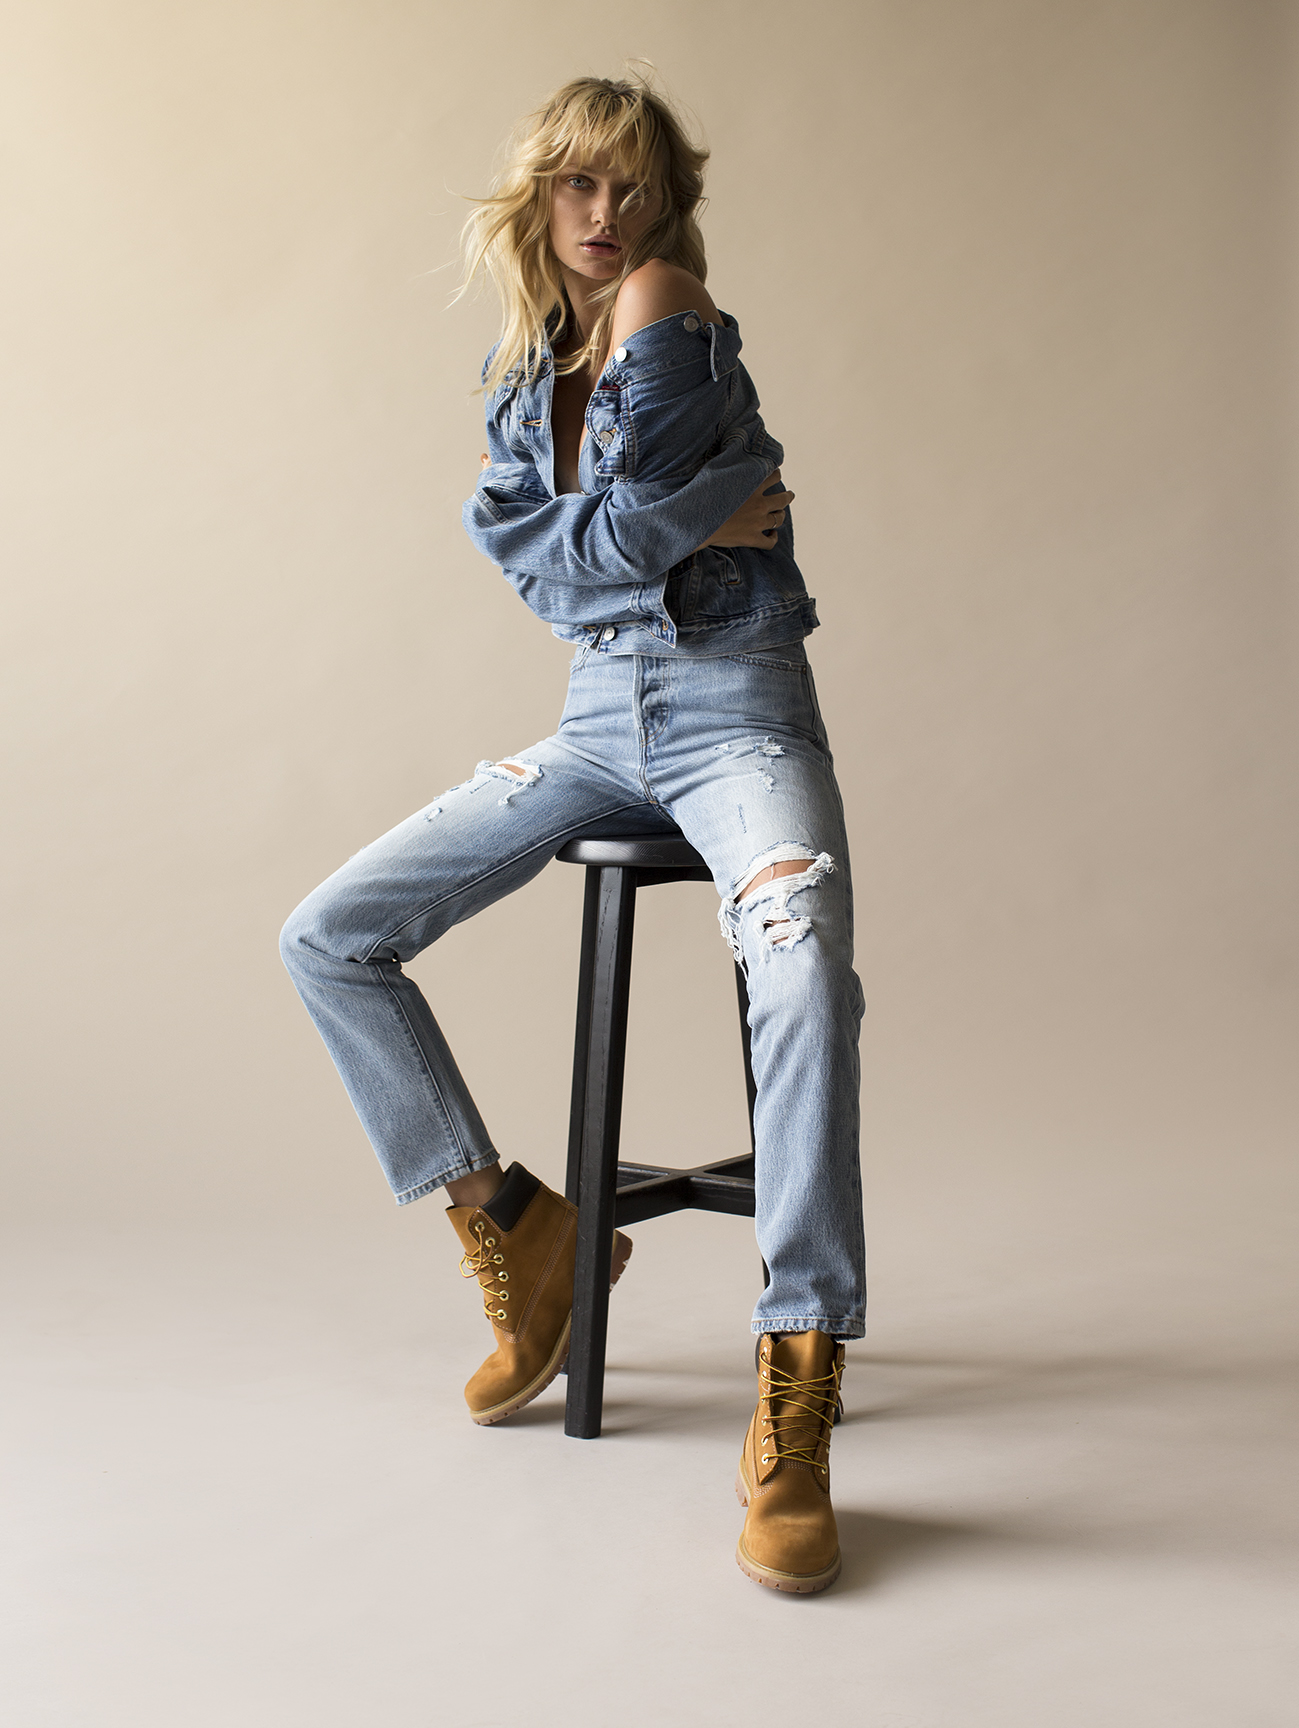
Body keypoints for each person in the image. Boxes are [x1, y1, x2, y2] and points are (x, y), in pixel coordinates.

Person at [280, 74, 865, 1595]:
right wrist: (693, 518)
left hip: (738, 713)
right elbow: (545, 570)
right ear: (539, 196)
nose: (607, 217)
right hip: (599, 725)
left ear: (667, 205)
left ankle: (797, 1380)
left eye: (633, 187)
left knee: (802, 964)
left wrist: (614, 537)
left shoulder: (669, 306)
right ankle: (523, 1231)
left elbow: (570, 543)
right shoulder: (518, 371)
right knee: (330, 936)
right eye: (578, 186)